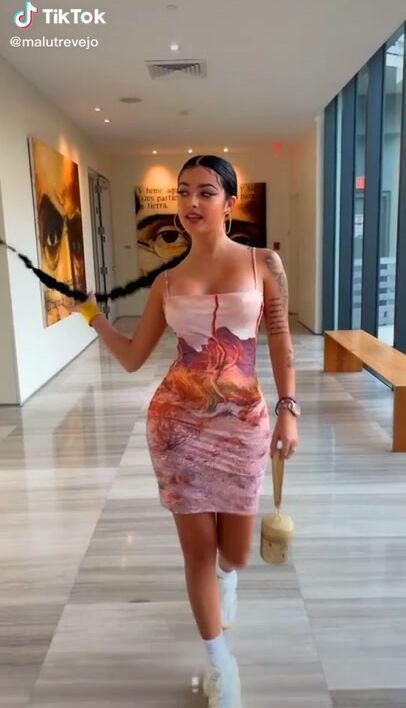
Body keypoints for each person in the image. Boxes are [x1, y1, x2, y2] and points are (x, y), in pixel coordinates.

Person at [77, 155, 300, 708]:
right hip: (176, 428)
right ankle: (220, 664)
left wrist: (289, 408)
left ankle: (228, 581)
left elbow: (279, 338)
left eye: (205, 191)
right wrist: (91, 315)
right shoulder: (167, 281)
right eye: (183, 192)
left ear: (230, 201)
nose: (191, 202)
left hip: (244, 425)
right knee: (198, 554)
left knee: (236, 555)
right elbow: (134, 357)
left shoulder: (264, 263)